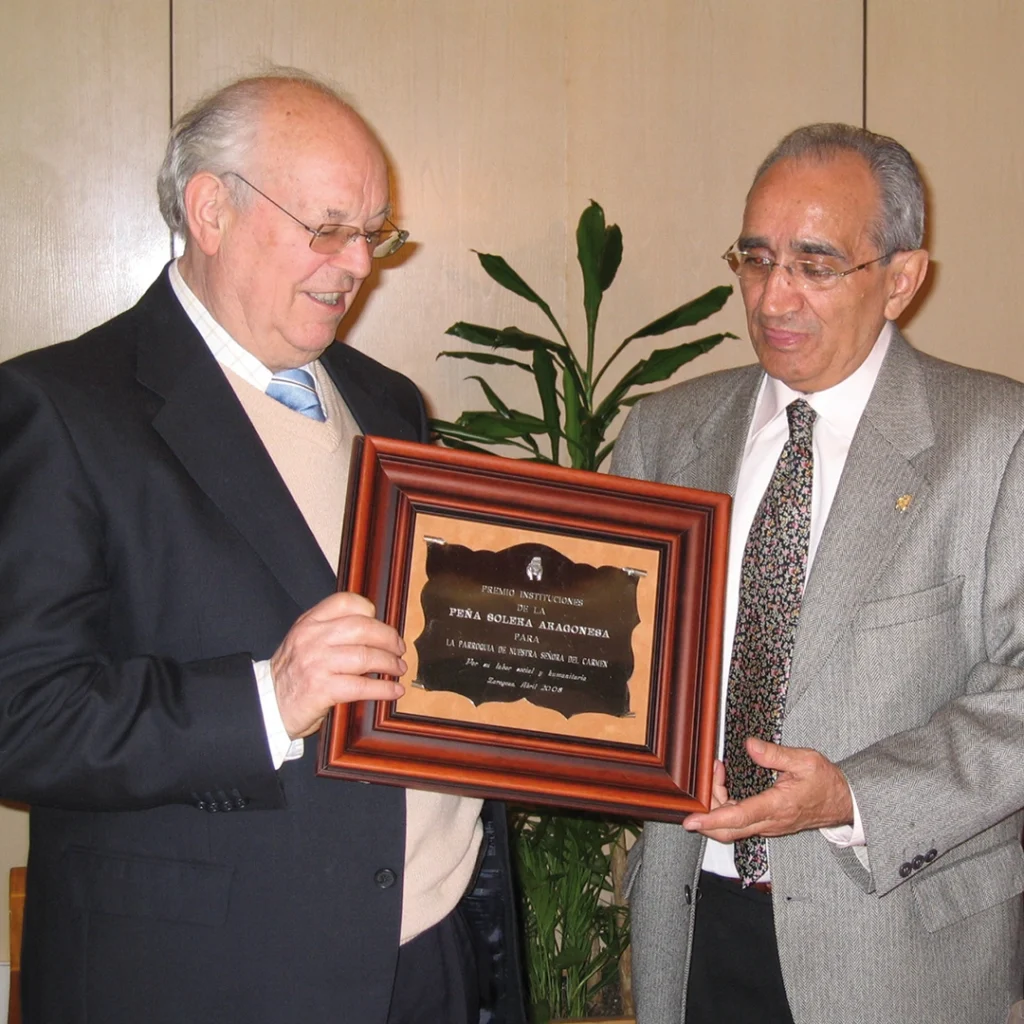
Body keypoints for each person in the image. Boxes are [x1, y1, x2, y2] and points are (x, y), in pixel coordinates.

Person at [0, 69, 524, 1024]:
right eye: (329, 228)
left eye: (374, 234)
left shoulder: (389, 401)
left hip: (433, 955)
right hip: (212, 976)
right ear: (211, 210)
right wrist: (267, 701)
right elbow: (18, 718)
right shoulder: (59, 409)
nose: (359, 263)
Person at [612, 123, 1024, 1024]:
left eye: (816, 263)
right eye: (756, 259)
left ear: (903, 279)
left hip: (895, 936)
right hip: (691, 919)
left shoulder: (998, 442)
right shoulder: (664, 433)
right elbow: (610, 651)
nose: (774, 296)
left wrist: (851, 794)